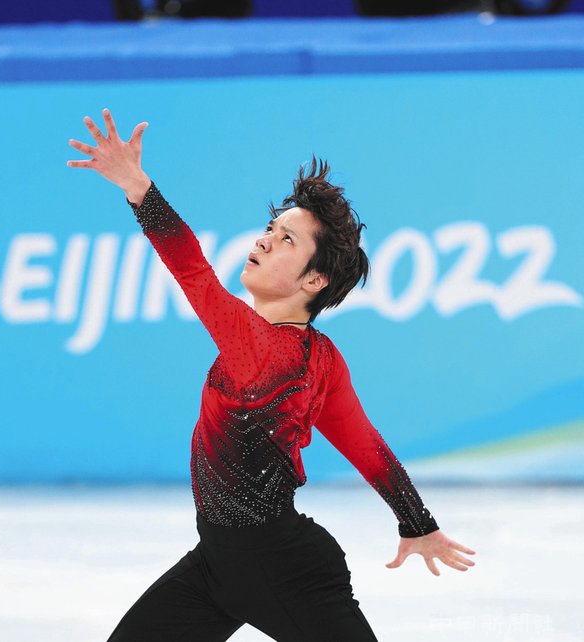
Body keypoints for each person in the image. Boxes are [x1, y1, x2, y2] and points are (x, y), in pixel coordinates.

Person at [67, 109, 475, 642]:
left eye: (286, 241)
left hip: (285, 572)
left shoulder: (257, 344)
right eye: (270, 230)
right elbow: (365, 445)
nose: (262, 241)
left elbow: (191, 268)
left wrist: (138, 188)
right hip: (218, 568)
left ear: (314, 280)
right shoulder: (322, 357)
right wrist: (416, 522)